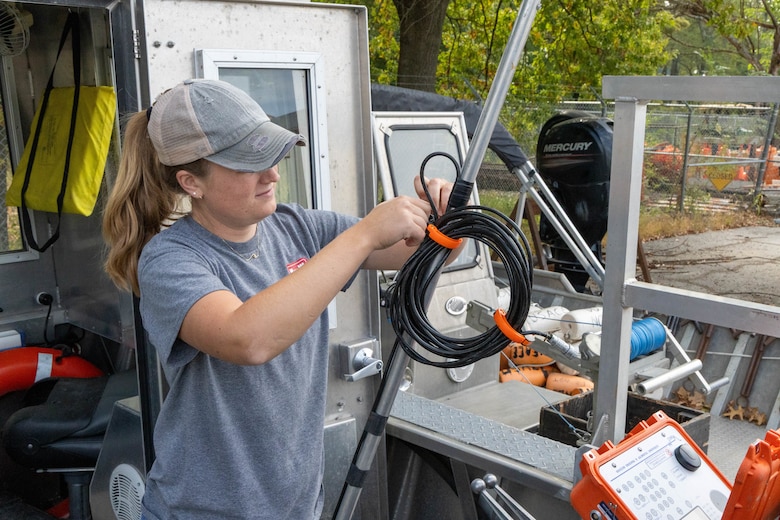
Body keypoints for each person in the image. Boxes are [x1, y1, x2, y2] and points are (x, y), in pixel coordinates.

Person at [101, 78, 453, 519]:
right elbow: (247, 339)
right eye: (248, 163)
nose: (271, 173)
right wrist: (363, 233)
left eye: (270, 154)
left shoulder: (296, 227)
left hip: (295, 507)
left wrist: (440, 214)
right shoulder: (171, 260)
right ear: (192, 182)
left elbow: (409, 250)